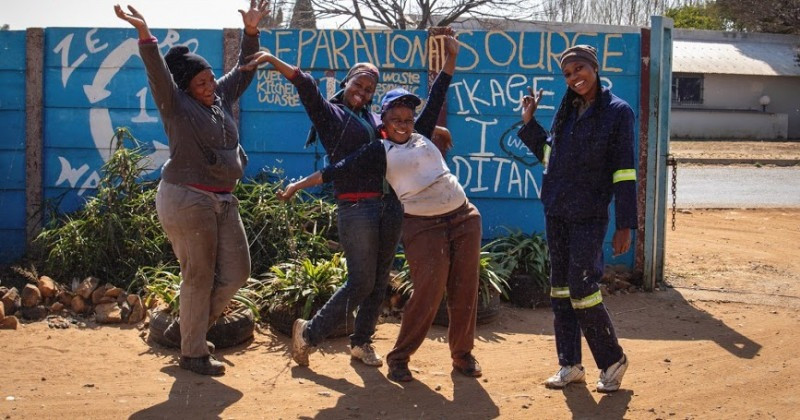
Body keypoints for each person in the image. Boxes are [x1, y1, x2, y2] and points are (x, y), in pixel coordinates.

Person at [241, 31, 460, 368]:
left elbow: (409, 129)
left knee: (380, 278)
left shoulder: (376, 121)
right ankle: (310, 334)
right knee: (361, 280)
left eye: (369, 89)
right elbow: (307, 87)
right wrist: (271, 60)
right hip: (356, 205)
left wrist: (436, 118)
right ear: (347, 83)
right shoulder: (331, 115)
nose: (362, 92)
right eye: (359, 85)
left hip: (390, 206)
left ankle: (361, 342)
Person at [278, 87, 483, 383]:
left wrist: (449, 55)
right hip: (424, 223)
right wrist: (297, 186)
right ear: (382, 121)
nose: (403, 123)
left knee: (465, 287)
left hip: (464, 216)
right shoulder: (380, 149)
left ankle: (462, 354)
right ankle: (399, 357)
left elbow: (437, 95)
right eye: (395, 118)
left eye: (408, 118)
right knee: (428, 290)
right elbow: (337, 169)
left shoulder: (422, 136)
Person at [114, 1, 270, 376]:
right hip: (186, 198)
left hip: (222, 199)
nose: (210, 86)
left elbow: (244, 72)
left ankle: (188, 330)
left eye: (211, 78)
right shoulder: (176, 104)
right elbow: (158, 76)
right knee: (198, 274)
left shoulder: (218, 98)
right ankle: (193, 352)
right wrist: (144, 36)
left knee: (237, 273)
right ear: (185, 87)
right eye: (201, 83)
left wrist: (251, 33)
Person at [517, 45, 636, 393]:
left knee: (583, 288)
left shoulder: (618, 112)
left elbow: (625, 171)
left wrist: (625, 223)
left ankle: (612, 360)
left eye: (580, 69)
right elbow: (550, 156)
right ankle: (570, 364)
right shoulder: (566, 111)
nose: (574, 78)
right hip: (557, 210)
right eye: (568, 74)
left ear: (595, 69)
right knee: (561, 290)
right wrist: (530, 124)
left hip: (589, 213)